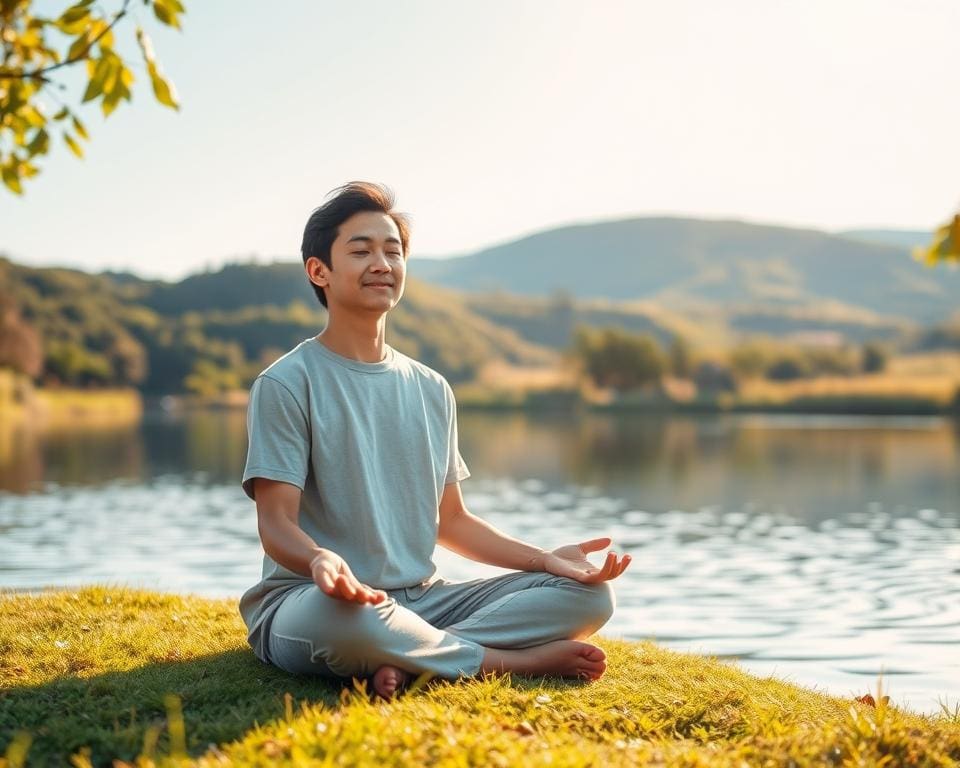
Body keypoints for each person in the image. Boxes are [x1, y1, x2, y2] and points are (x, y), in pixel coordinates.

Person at [239, 181, 632, 700]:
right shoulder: (286, 383)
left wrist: (544, 559)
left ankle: (411, 657)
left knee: (589, 599)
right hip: (315, 600)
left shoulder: (431, 388)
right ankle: (510, 662)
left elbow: (452, 521)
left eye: (392, 250)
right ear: (320, 272)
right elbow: (276, 525)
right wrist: (317, 561)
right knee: (351, 622)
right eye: (361, 250)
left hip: (422, 602)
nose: (382, 263)